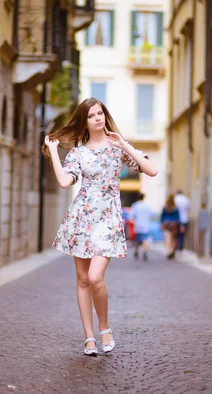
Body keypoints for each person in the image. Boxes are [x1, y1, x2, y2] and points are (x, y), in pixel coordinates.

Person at [42, 98, 158, 356]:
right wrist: (53, 152)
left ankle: (104, 327)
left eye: (100, 113)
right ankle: (89, 338)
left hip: (108, 218)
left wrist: (125, 144)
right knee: (83, 280)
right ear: (84, 121)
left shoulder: (117, 148)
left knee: (95, 277)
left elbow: (151, 170)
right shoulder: (78, 153)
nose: (98, 118)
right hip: (81, 219)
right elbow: (64, 182)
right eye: (92, 115)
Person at [129, 193, 153, 261]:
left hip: (138, 225)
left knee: (137, 239)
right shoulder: (147, 206)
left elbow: (131, 216)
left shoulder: (135, 205)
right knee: (145, 239)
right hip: (146, 225)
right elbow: (151, 215)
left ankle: (136, 251)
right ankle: (145, 251)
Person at [161, 194, 181, 260]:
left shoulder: (165, 207)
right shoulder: (175, 208)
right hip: (174, 224)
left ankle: (170, 250)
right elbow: (178, 217)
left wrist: (162, 223)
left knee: (168, 238)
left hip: (166, 224)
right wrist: (179, 224)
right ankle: (172, 249)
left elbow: (162, 216)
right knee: (173, 238)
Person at [174, 190, 191, 255]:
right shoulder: (186, 199)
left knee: (175, 235)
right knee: (182, 235)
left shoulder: (175, 199)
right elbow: (189, 208)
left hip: (176, 220)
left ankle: (176, 248)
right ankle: (180, 248)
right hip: (184, 219)